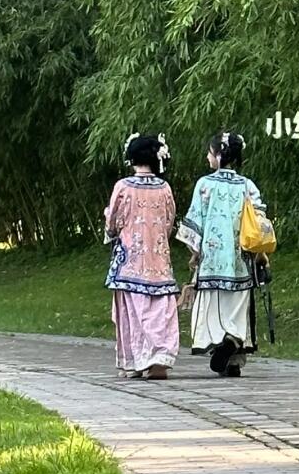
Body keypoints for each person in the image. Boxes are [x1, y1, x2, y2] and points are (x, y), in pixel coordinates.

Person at [177, 131, 265, 378]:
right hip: (241, 260)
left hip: (213, 260)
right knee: (238, 308)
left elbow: (195, 223)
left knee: (215, 309)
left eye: (209, 152)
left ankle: (221, 343)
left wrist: (195, 252)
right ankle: (234, 352)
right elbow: (259, 220)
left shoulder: (205, 184)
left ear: (218, 155)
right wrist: (260, 254)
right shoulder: (247, 185)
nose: (207, 157)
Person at [104, 133, 179, 380]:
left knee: (132, 313)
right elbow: (169, 221)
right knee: (160, 310)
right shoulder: (164, 188)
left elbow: (112, 222)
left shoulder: (123, 186)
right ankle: (159, 359)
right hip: (159, 260)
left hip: (130, 261)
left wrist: (113, 230)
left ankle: (135, 362)